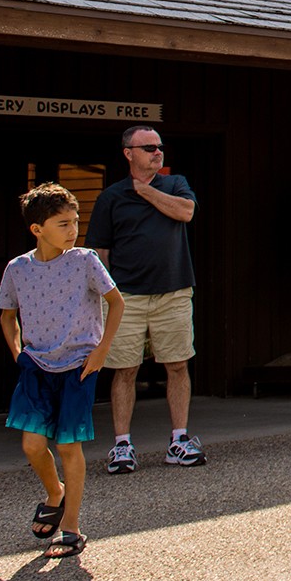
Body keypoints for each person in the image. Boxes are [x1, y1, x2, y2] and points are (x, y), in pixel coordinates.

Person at [0, 183, 125, 559]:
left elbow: (115, 304)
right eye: (63, 223)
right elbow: (7, 317)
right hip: (35, 366)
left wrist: (102, 350)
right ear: (37, 229)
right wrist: (19, 353)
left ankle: (71, 527)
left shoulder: (85, 260)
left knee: (68, 445)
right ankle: (56, 492)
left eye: (75, 222)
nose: (73, 230)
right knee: (32, 445)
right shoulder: (18, 269)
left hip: (79, 367)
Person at [85, 125, 204, 474]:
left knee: (178, 364)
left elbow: (186, 212)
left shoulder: (175, 183)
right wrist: (106, 296)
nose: (157, 152)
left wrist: (145, 191)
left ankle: (179, 440)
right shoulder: (111, 197)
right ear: (128, 153)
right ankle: (122, 445)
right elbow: (99, 251)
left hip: (174, 290)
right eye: (148, 147)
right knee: (125, 369)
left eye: (159, 146)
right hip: (127, 297)